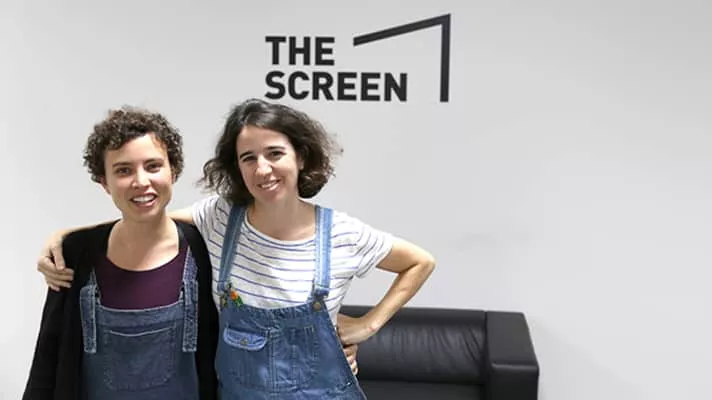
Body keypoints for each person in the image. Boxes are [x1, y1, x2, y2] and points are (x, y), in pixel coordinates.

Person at [38, 98, 436, 399]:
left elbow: (420, 262)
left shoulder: (342, 234)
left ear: (301, 156)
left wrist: (369, 325)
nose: (262, 169)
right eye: (249, 158)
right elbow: (148, 215)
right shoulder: (220, 218)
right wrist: (69, 238)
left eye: (275, 153)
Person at [24, 107, 219, 400]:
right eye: (123, 170)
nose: (141, 181)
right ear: (104, 182)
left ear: (173, 171)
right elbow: (47, 360)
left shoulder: (205, 250)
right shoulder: (74, 255)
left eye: (153, 166)